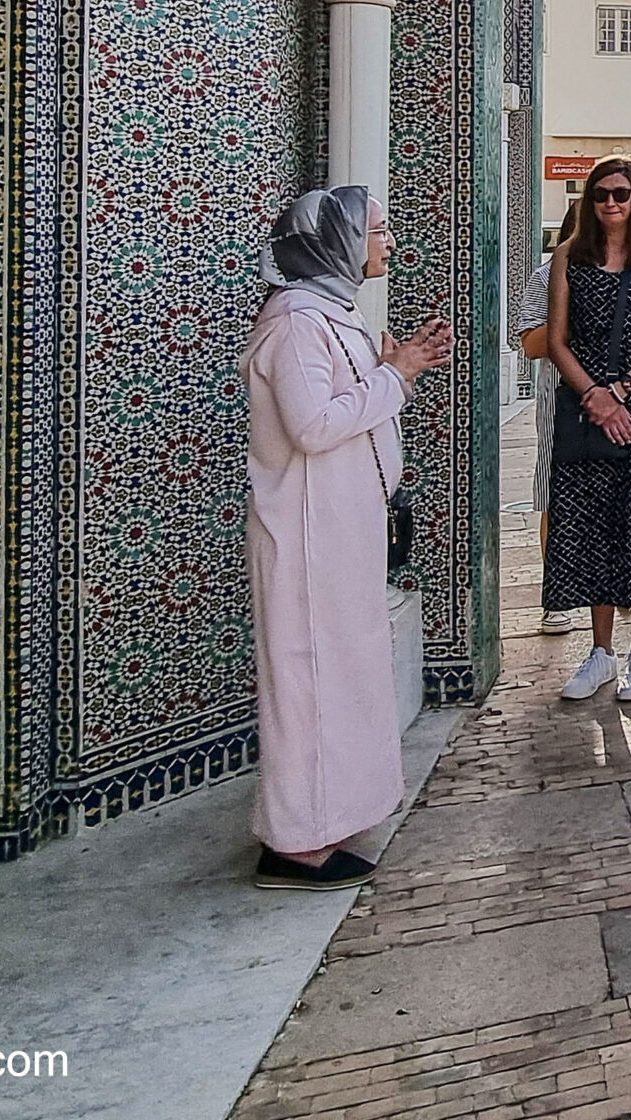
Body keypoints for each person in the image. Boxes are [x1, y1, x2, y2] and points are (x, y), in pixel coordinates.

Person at [242, 186, 453, 888]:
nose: (388, 242)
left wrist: (392, 369)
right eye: (376, 231)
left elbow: (351, 404)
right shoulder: (297, 322)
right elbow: (312, 426)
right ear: (335, 242)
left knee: (337, 678)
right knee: (308, 681)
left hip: (337, 533)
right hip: (306, 537)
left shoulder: (329, 313)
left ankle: (326, 825)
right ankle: (296, 843)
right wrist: (398, 372)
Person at [546, 157, 631, 704]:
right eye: (600, 194)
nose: (610, 204)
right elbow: (557, 340)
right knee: (592, 522)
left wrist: (620, 391)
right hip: (588, 405)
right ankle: (601, 651)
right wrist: (594, 396)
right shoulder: (568, 257)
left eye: (621, 195)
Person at [516, 198, 583, 634]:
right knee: (556, 491)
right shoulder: (547, 278)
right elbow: (532, 344)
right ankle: (557, 594)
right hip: (562, 398)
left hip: (619, 398)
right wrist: (577, 307)